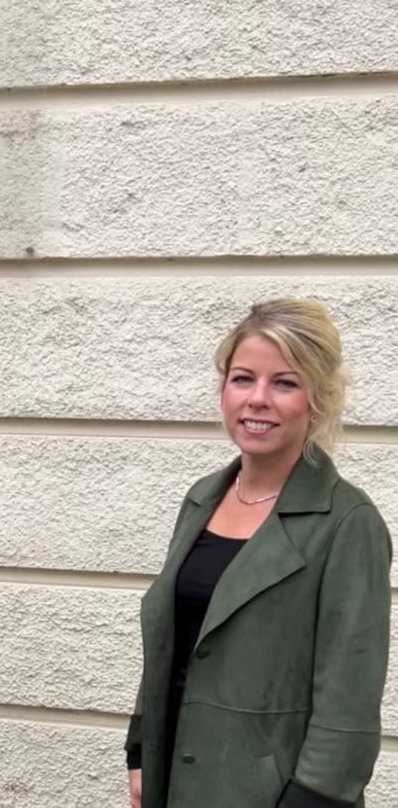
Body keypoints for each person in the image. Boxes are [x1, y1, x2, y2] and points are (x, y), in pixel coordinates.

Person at [126, 298, 391, 808]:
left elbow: (350, 698)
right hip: (175, 782)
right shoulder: (203, 498)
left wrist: (315, 799)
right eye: (243, 378)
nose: (258, 399)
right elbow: (171, 639)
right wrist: (141, 750)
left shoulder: (347, 523)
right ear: (223, 390)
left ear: (319, 399)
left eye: (285, 383)